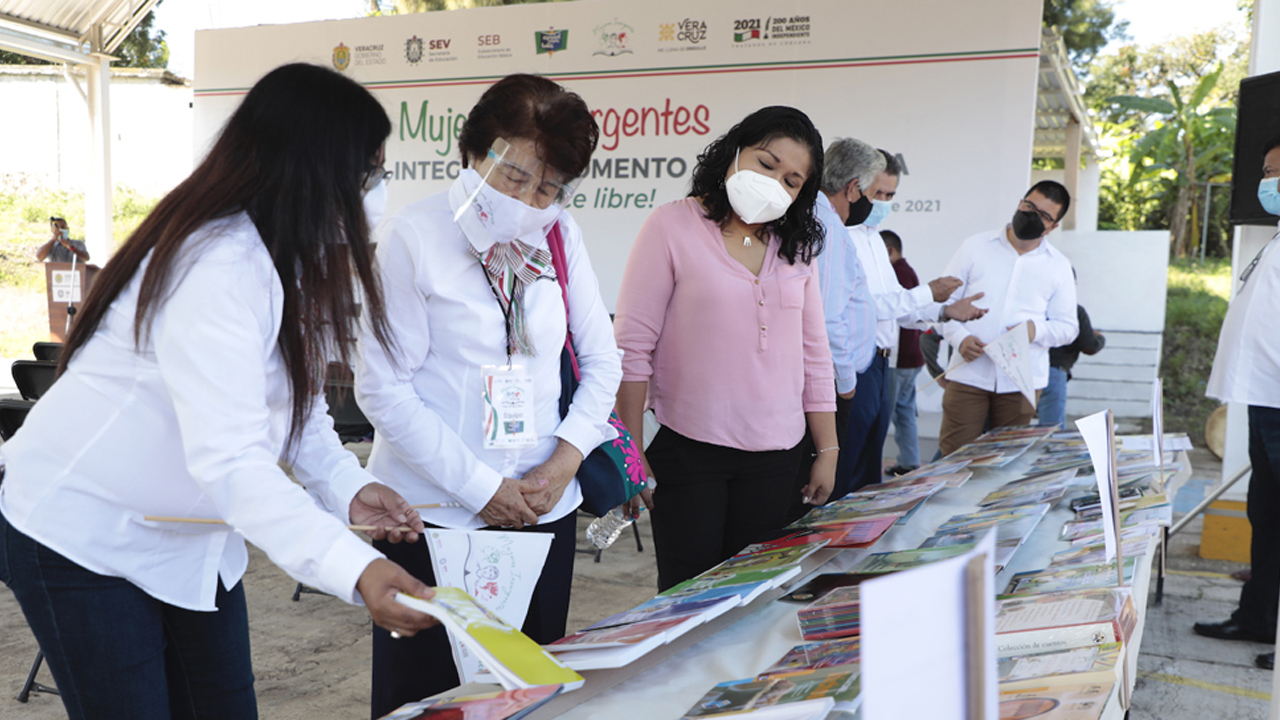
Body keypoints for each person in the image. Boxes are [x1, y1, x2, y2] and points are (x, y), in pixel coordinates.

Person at [0, 63, 436, 720]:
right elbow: (231, 458)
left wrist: (347, 487)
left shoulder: (297, 256)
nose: (378, 190)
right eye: (368, 172)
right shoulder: (216, 265)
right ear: (312, 169)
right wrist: (355, 568)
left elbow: (297, 408)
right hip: (84, 531)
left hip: (194, 532)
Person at [355, 74, 622, 715]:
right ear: (473, 151)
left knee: (522, 692)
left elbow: (602, 360)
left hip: (540, 509)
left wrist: (564, 462)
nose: (531, 198)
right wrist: (482, 489)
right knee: (428, 696)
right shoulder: (412, 237)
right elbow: (384, 389)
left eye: (550, 185)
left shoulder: (560, 236)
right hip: (433, 516)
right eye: (514, 175)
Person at [614, 106, 839, 591]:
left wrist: (828, 448)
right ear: (734, 152)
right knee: (686, 596)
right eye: (767, 163)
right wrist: (630, 452)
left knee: (753, 596)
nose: (776, 182)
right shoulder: (671, 226)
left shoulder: (796, 246)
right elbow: (632, 348)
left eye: (792, 180)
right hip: (693, 452)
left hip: (779, 456)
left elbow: (815, 353)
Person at [828, 139, 985, 495]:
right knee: (845, 468)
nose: (882, 203)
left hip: (882, 364)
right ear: (856, 187)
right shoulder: (841, 236)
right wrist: (930, 293)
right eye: (877, 193)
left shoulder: (872, 238)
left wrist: (944, 311)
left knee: (868, 470)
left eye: (890, 196)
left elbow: (896, 304)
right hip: (853, 365)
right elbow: (868, 306)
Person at [1195, 132, 1280, 671]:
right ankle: (1257, 617)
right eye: (1267, 172)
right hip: (1263, 398)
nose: (1267, 183)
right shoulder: (1276, 239)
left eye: (1276, 173)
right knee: (1265, 514)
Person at [937, 181, 1079, 455]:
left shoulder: (1058, 266)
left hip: (1021, 381)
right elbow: (944, 305)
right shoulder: (975, 246)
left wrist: (1034, 331)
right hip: (968, 375)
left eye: (1044, 216)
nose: (1032, 216)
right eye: (1029, 206)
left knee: (1007, 464)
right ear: (1020, 202)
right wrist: (960, 338)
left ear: (1053, 227)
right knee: (953, 460)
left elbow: (1068, 328)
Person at [881, 229, 924, 476]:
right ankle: (909, 462)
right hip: (910, 358)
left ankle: (870, 464)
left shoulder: (898, 273)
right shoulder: (906, 271)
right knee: (904, 412)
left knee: (885, 415)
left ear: (889, 251)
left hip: (900, 359)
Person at [1038, 301, 1106, 428]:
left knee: (1013, 428)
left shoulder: (1033, 307)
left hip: (1023, 369)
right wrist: (1100, 338)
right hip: (1054, 370)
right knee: (1052, 430)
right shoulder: (1073, 310)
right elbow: (1090, 347)